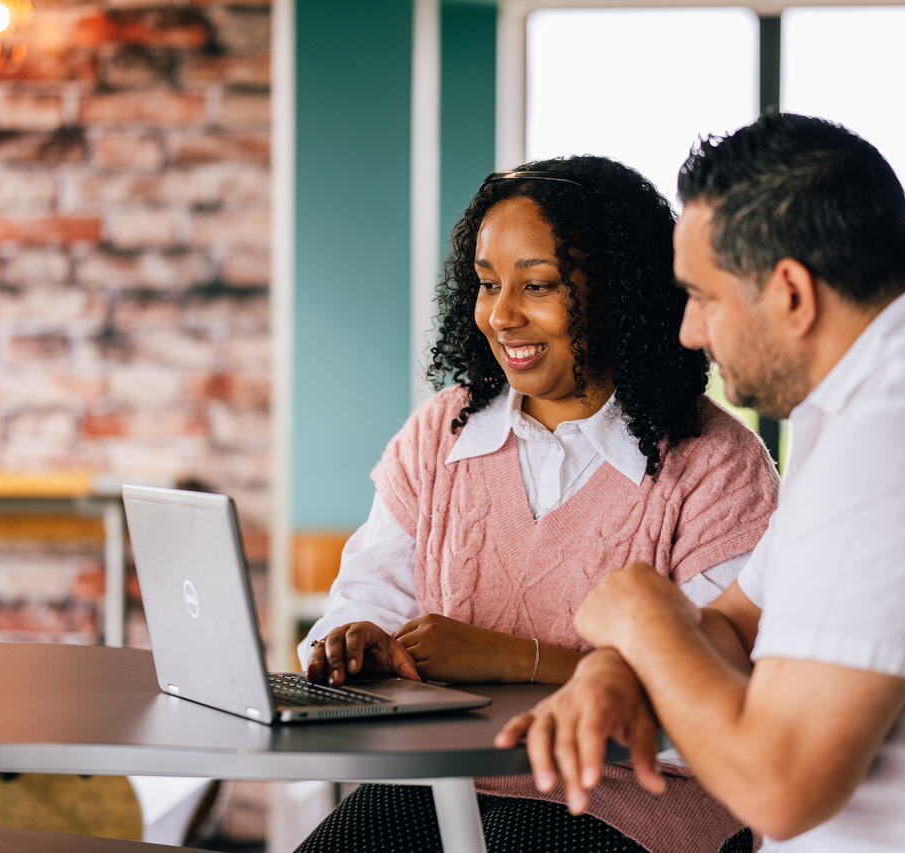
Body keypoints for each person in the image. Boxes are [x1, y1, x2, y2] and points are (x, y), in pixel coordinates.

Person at [497, 113, 905, 852]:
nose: (688, 331)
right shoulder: (882, 402)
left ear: (791, 294)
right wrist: (619, 663)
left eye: (705, 297)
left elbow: (777, 788)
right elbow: (740, 620)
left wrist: (640, 616)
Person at [293, 155, 780, 853]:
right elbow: (362, 599)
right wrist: (359, 639)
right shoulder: (440, 433)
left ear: (619, 291)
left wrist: (509, 656)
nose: (501, 315)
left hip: (633, 794)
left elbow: (712, 690)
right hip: (447, 783)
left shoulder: (715, 463)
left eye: (538, 285)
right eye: (487, 285)